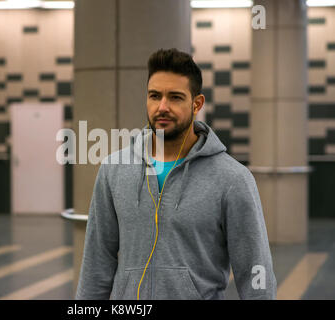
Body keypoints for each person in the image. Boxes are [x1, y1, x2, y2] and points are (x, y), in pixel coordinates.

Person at [75, 48, 277, 300]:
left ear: (197, 104)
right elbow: (97, 262)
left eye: (175, 97)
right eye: (154, 96)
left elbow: (255, 270)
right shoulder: (113, 169)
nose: (162, 107)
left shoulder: (232, 179)